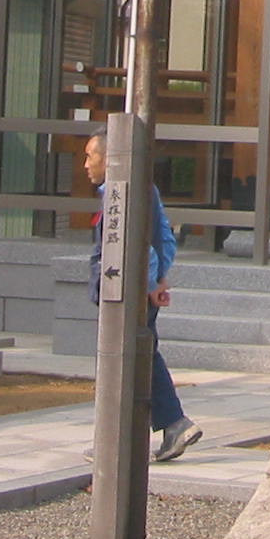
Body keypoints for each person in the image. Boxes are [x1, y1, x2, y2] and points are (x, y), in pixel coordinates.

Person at [84, 130, 201, 463]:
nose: (85, 165)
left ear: (109, 158)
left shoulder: (122, 193)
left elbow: (143, 245)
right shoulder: (146, 190)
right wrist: (160, 277)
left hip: (126, 290)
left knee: (125, 359)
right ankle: (157, 428)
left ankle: (131, 436)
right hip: (136, 286)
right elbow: (164, 238)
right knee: (141, 356)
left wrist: (151, 283)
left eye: (90, 156)